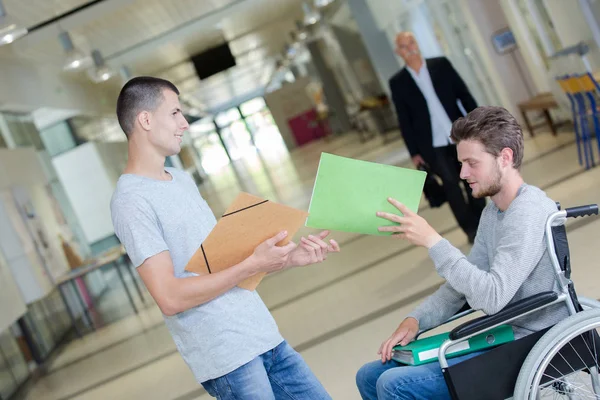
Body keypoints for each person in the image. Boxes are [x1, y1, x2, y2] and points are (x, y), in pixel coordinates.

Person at [110, 76, 341, 399]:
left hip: (263, 335)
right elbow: (170, 297)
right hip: (228, 357)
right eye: (175, 113)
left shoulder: (180, 178)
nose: (185, 124)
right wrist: (250, 266)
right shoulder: (131, 200)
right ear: (145, 120)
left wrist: (288, 257)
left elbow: (221, 263)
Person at [355, 106, 569, 399]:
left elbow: (492, 298)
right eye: (461, 163)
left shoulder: (527, 213)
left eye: (471, 163)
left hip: (530, 339)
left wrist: (434, 241)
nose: (462, 173)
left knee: (394, 385)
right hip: (502, 333)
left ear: (504, 158)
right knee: (369, 375)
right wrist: (416, 320)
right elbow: (463, 285)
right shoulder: (494, 211)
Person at [389, 31, 486, 243]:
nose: (410, 48)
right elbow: (403, 120)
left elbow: (464, 94)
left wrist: (481, 123)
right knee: (451, 184)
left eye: (412, 42)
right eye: (404, 46)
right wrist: (414, 152)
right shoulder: (398, 82)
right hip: (431, 144)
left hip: (459, 134)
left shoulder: (441, 65)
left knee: (473, 178)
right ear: (399, 52)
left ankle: (483, 222)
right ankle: (470, 229)